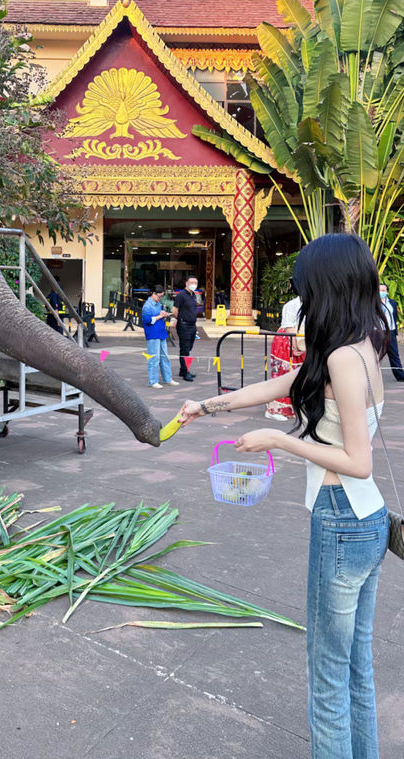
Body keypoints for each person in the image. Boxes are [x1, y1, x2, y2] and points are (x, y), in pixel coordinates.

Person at [176, 234, 390, 759]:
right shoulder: (360, 345)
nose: (302, 299)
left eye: (307, 288)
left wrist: (279, 440)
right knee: (355, 667)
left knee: (326, 679)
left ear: (328, 287)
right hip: (368, 519)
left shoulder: (341, 356)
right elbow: (275, 388)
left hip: (342, 519)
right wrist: (206, 407)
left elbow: (357, 461)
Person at [265, 295, 306, 421]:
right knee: (283, 375)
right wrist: (296, 346)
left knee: (298, 376)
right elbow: (290, 327)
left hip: (301, 341)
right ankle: (274, 409)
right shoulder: (293, 304)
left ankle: (293, 407)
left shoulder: (313, 302)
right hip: (288, 341)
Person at [141, 284, 179, 389]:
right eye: (159, 296)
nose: (160, 298)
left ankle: (168, 379)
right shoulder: (147, 305)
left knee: (164, 357)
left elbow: (158, 316)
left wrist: (163, 314)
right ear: (153, 294)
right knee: (154, 358)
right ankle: (153, 381)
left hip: (161, 333)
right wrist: (160, 316)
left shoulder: (158, 304)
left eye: (162, 296)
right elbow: (147, 320)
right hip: (153, 334)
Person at [171, 275, 198, 381]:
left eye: (195, 283)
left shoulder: (194, 295)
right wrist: (180, 319)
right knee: (185, 350)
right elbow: (174, 310)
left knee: (189, 347)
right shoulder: (181, 295)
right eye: (191, 282)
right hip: (184, 325)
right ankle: (185, 372)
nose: (193, 285)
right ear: (186, 283)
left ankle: (183, 370)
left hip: (192, 326)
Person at [379, 283, 404, 382]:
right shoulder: (373, 303)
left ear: (387, 292)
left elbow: (394, 317)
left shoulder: (393, 303)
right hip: (378, 332)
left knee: (394, 354)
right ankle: (371, 376)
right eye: (379, 290)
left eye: (383, 290)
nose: (381, 292)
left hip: (391, 332)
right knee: (375, 355)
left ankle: (400, 375)